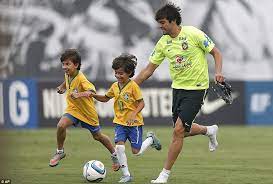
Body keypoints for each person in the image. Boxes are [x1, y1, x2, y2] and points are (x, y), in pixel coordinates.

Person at [134, 4, 223, 183]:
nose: (160, 26)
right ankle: (209, 130)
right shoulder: (163, 42)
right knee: (182, 131)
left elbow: (216, 52)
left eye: (163, 22)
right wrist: (129, 86)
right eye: (159, 23)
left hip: (197, 88)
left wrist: (218, 72)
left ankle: (164, 175)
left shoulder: (193, 34)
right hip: (178, 88)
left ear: (173, 21)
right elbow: (148, 71)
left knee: (178, 130)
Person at [91, 53, 162, 183]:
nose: (118, 76)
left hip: (134, 124)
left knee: (137, 152)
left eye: (121, 73)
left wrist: (133, 114)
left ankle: (150, 139)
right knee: (119, 147)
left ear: (129, 73)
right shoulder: (114, 86)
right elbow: (106, 98)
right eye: (116, 73)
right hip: (120, 123)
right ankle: (126, 175)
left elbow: (141, 103)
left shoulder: (133, 86)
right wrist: (93, 95)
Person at [49, 49, 119, 171]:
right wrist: (62, 87)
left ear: (76, 65)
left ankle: (114, 155)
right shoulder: (68, 74)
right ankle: (60, 152)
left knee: (98, 137)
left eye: (67, 64)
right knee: (61, 125)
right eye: (63, 64)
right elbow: (67, 81)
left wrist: (79, 95)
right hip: (73, 109)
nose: (64, 67)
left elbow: (92, 92)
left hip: (87, 113)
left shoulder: (81, 78)